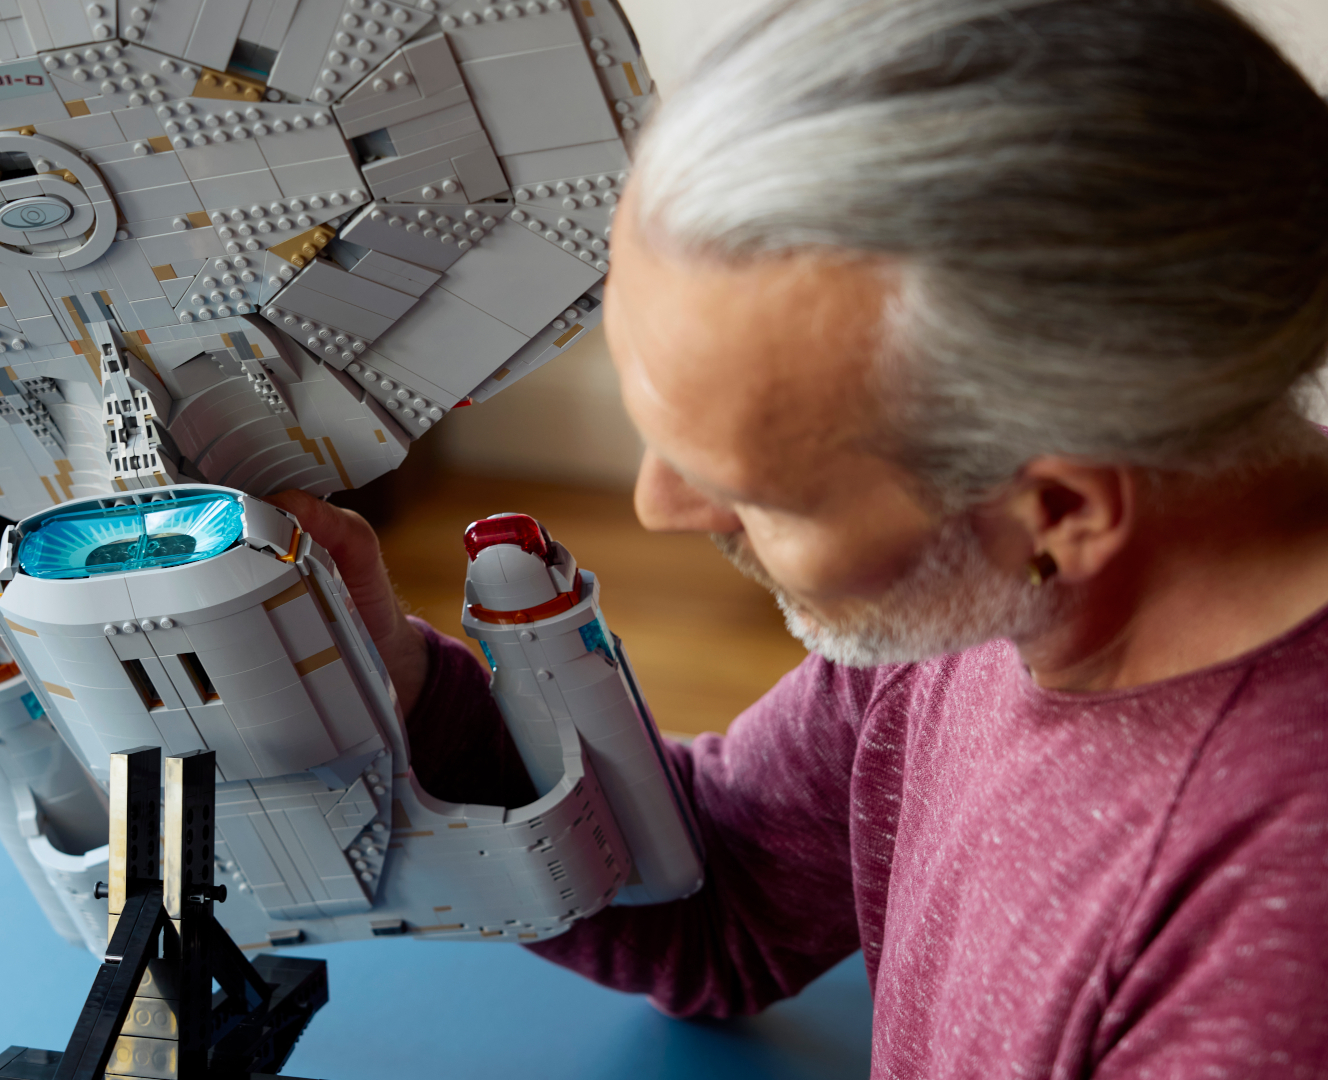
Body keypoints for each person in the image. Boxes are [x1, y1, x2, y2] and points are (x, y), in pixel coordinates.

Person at [274, 0, 1328, 1072]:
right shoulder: (988, 591)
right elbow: (718, 901)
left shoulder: (1274, 955)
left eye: (760, 492)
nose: (659, 507)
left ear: (1059, 510)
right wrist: (395, 681)